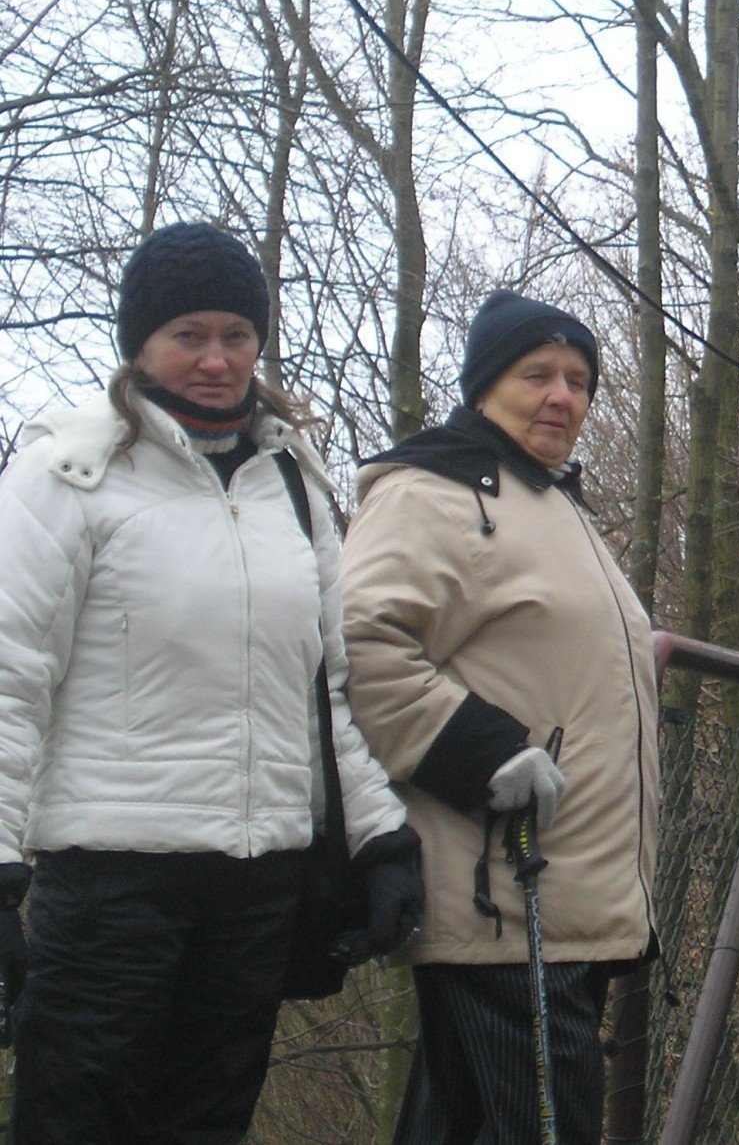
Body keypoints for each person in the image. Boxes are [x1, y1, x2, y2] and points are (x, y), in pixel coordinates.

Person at [0, 221, 421, 1145]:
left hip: (254, 888)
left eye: (236, 334)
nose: (215, 359)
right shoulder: (69, 475)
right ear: (141, 345)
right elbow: (8, 680)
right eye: (188, 335)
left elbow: (326, 696)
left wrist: (382, 839)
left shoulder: (293, 488)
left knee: (207, 1128)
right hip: (110, 883)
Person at [340, 289, 660, 1144]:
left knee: (466, 1121)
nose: (564, 396)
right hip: (507, 892)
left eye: (580, 380)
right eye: (538, 375)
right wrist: (481, 755)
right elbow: (360, 644)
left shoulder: (550, 504)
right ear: (484, 385)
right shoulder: (429, 491)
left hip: (564, 892)